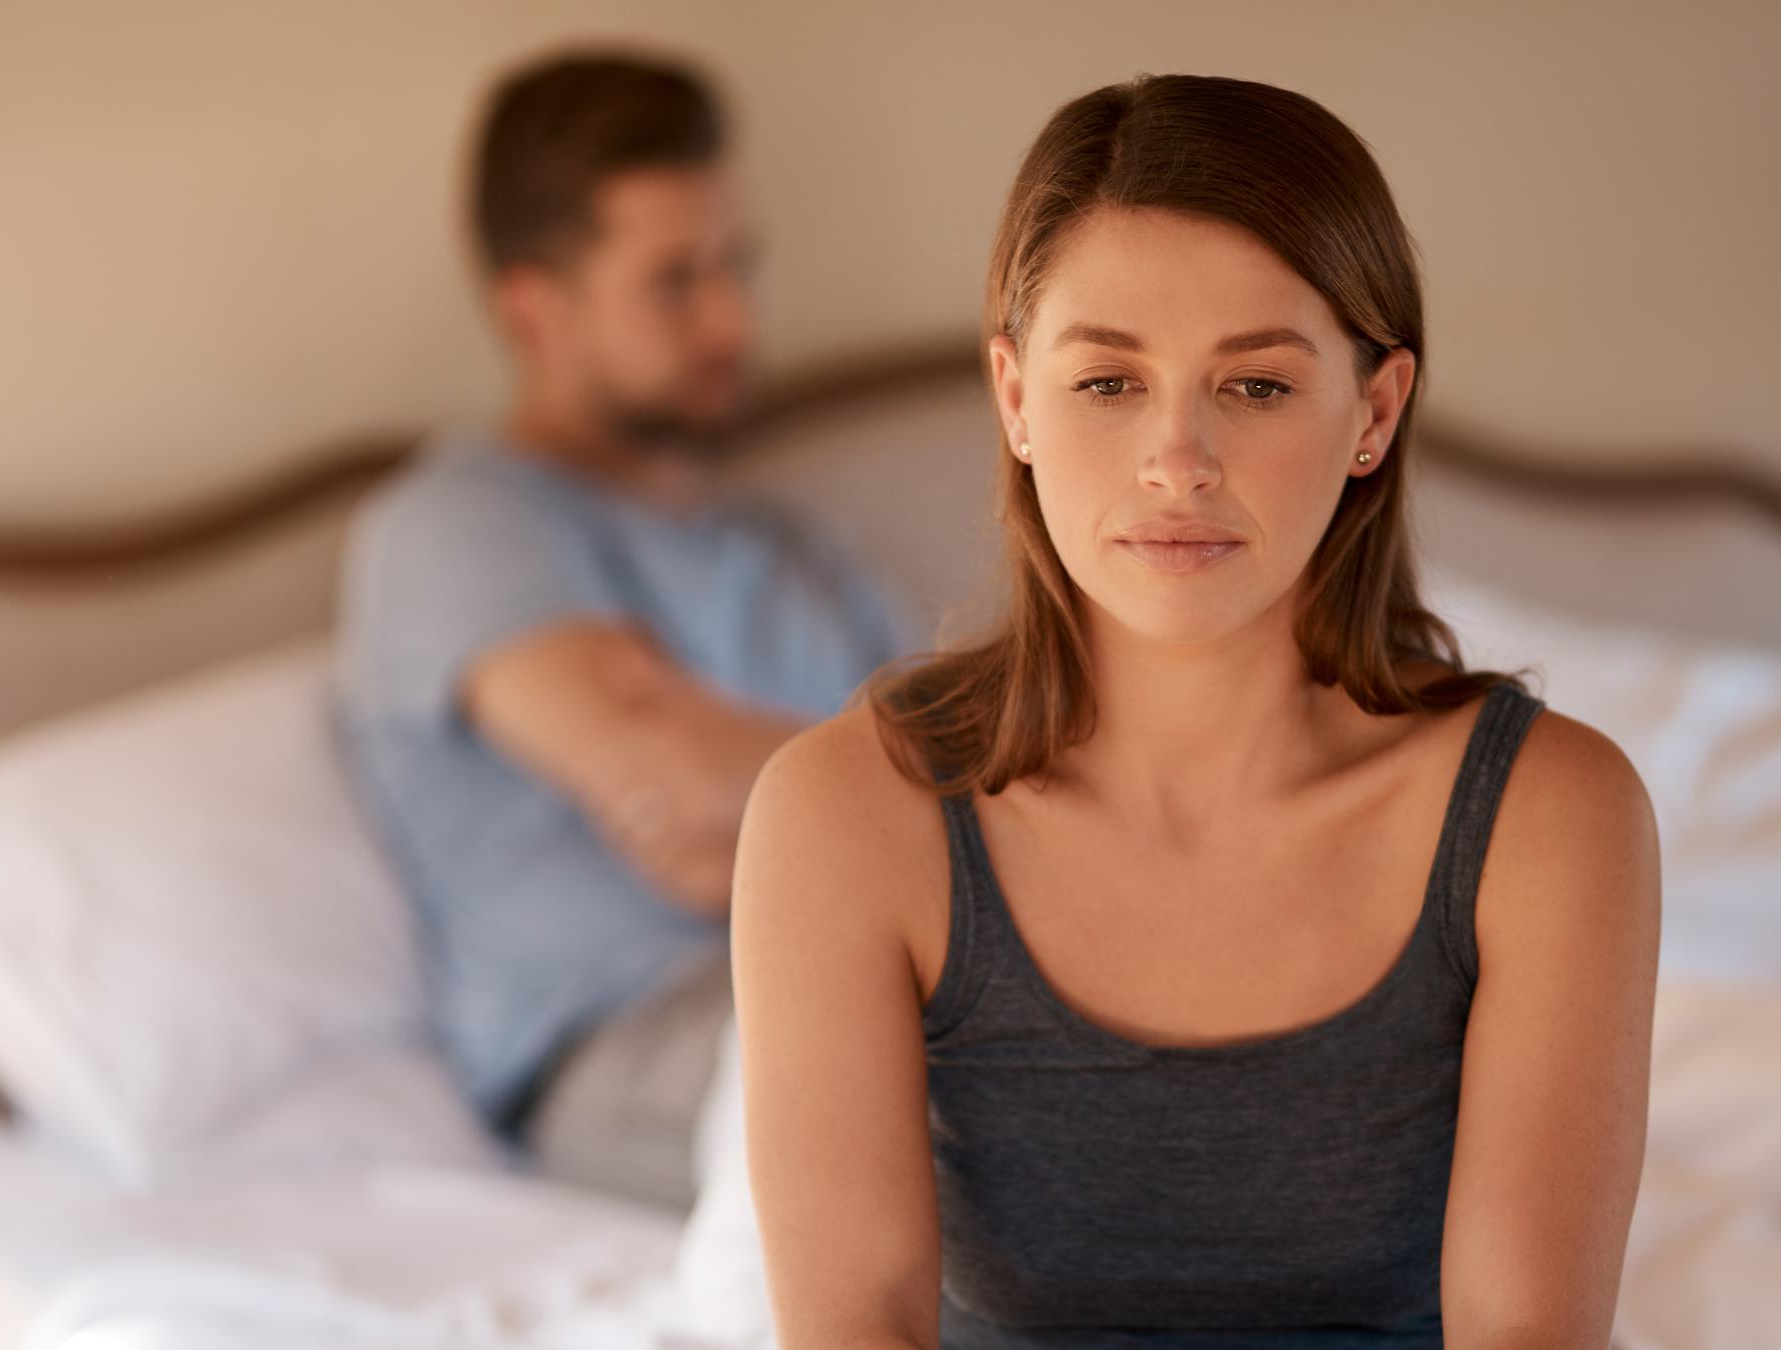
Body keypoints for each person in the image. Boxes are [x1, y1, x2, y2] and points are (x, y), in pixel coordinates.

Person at [730, 73, 1662, 1347]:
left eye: (1258, 386)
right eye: (1108, 383)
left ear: (1373, 414)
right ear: (1014, 397)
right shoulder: (845, 818)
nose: (1179, 461)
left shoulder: (1548, 821)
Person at [331, 48, 917, 1213]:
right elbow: (682, 771)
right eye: (673, 281)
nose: (732, 318)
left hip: (885, 974)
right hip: (632, 1038)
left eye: (736, 266)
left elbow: (995, 783)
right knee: (994, 1116)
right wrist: (878, 813)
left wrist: (772, 825)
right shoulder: (457, 522)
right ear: (532, 310)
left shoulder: (796, 550)